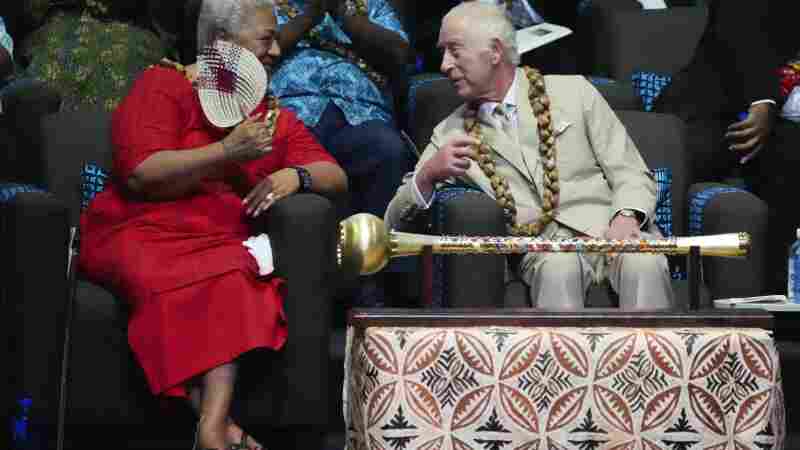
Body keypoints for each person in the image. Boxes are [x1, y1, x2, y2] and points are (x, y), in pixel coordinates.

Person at [77, 0, 347, 448]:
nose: (278, 50)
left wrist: (294, 175)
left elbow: (334, 175)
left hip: (217, 241)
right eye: (266, 38)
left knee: (231, 269)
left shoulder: (268, 118)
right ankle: (219, 427)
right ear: (223, 43)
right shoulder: (163, 84)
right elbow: (142, 172)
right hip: (139, 229)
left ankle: (211, 427)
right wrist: (225, 154)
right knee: (200, 273)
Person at [385, 2, 673, 310]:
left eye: (454, 51)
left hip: (609, 228)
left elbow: (629, 170)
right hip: (542, 249)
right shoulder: (451, 132)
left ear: (494, 52)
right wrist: (427, 175)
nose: (443, 65)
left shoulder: (574, 93)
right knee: (557, 268)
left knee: (645, 263)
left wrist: (626, 216)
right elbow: (392, 226)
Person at [270, 0, 416, 306]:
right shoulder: (262, 5)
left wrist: (341, 13)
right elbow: (244, 53)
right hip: (292, 112)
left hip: (359, 110)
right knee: (283, 153)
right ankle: (300, 295)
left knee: (388, 150)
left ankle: (377, 288)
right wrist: (311, 14)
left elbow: (400, 53)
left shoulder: (368, 5)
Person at [654, 0, 800, 294]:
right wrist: (763, 101)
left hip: (779, 124)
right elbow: (743, 26)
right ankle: (776, 302)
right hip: (708, 116)